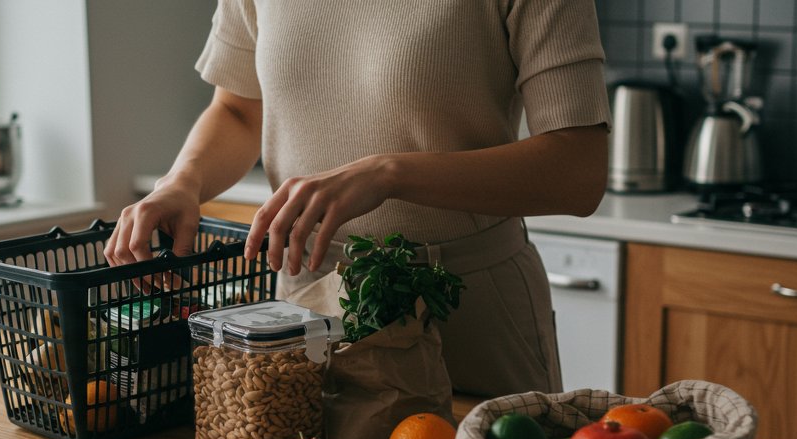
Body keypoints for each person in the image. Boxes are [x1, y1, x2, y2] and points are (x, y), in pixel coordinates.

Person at [105, 1, 609, 397]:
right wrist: (182, 181)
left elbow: (577, 171)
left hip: (467, 308)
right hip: (305, 304)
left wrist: (388, 172)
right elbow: (239, 108)